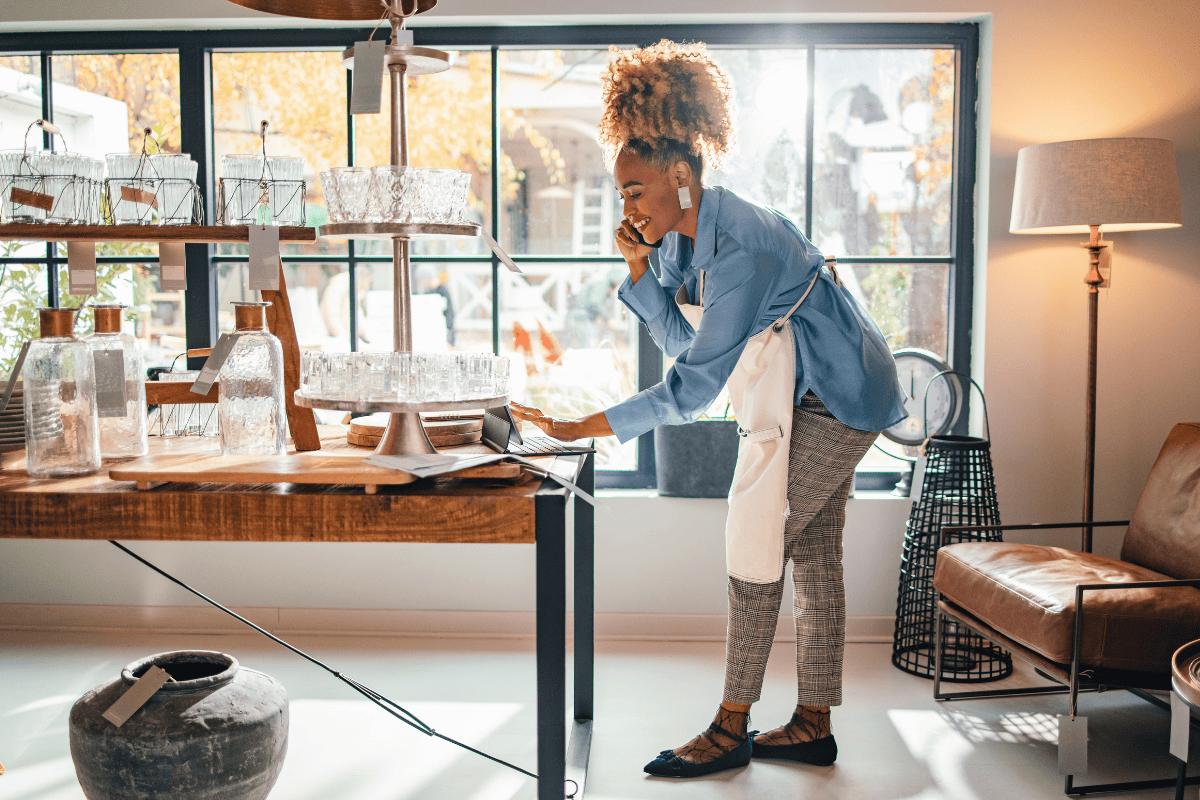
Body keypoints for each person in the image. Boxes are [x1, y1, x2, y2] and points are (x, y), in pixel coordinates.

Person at [509, 39, 907, 779]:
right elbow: (677, 345)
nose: (625, 205)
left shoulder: (742, 248)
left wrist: (580, 427)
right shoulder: (672, 244)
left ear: (681, 176)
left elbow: (694, 390)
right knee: (814, 550)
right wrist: (639, 273)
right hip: (793, 389)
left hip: (841, 392)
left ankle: (731, 726)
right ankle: (814, 724)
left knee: (758, 540)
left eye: (634, 190)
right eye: (621, 192)